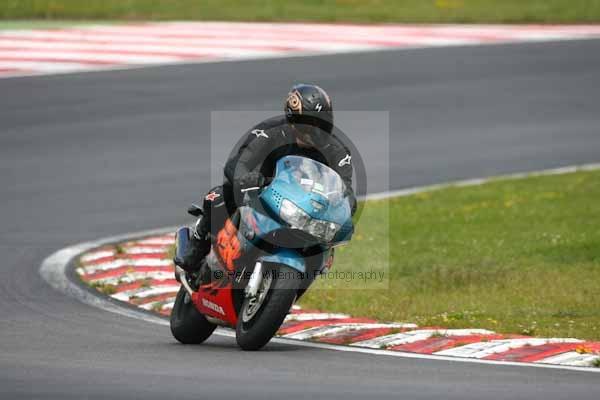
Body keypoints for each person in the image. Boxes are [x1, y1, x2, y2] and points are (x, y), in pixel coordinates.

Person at [177, 83, 356, 274]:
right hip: (264, 195)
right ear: (292, 120)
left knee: (324, 248)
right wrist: (246, 178)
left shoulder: (337, 151)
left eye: (322, 124)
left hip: (305, 210)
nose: (316, 132)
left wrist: (344, 207)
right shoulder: (271, 132)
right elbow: (239, 162)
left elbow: (346, 192)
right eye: (309, 124)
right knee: (219, 196)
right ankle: (196, 245)